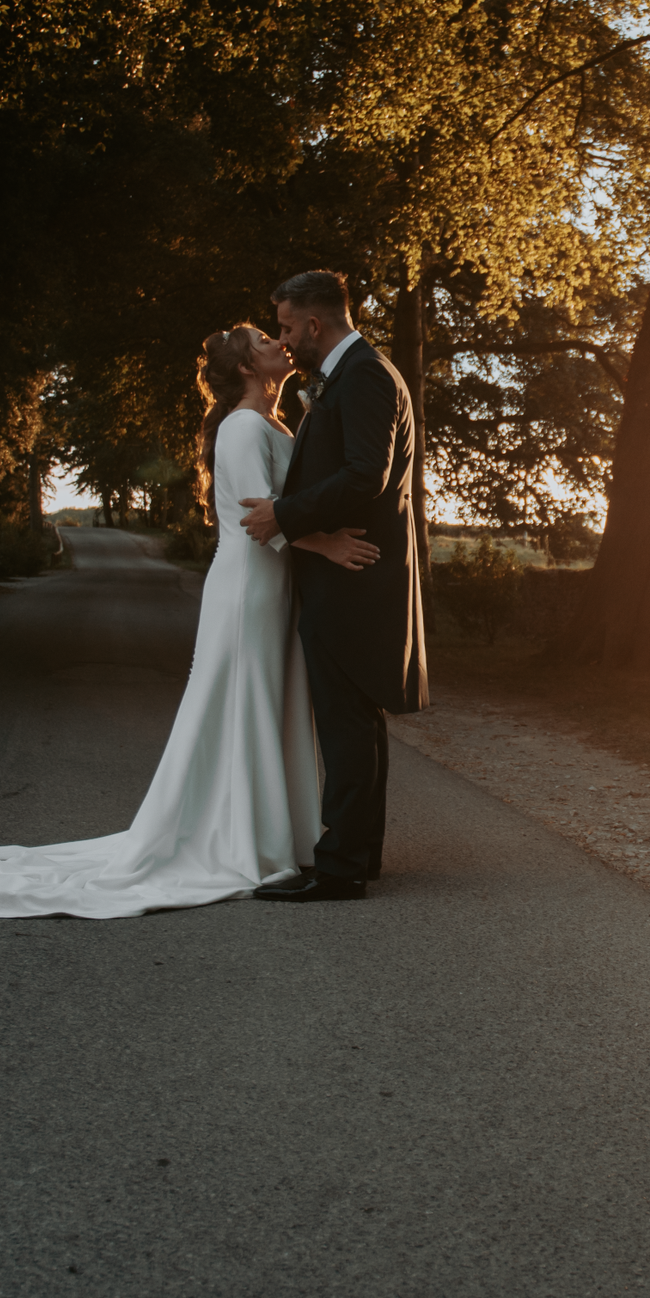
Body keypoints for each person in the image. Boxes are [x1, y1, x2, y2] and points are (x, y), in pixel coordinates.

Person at [0, 324, 379, 918]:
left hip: (275, 584)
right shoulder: (244, 427)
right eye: (262, 338)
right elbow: (259, 518)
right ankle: (244, 840)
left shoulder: (276, 424)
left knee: (269, 701)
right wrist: (327, 544)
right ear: (249, 369)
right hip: (250, 585)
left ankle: (274, 833)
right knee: (246, 702)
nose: (280, 342)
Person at [236, 268, 428, 903]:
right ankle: (358, 854)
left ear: (315, 323)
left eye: (289, 327)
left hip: (350, 578)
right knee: (358, 723)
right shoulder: (354, 374)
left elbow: (363, 476)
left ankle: (341, 867)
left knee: (345, 725)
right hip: (353, 574)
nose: (285, 339)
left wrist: (284, 515)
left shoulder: (366, 375)